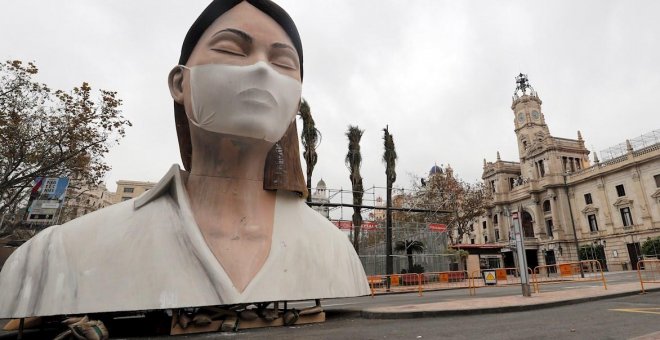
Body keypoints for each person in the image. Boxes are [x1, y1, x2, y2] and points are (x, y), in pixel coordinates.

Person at [0, 0, 369, 318]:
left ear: (294, 102)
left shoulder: (338, 256)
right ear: (180, 83)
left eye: (282, 61)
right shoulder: (52, 260)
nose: (261, 69)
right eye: (232, 50)